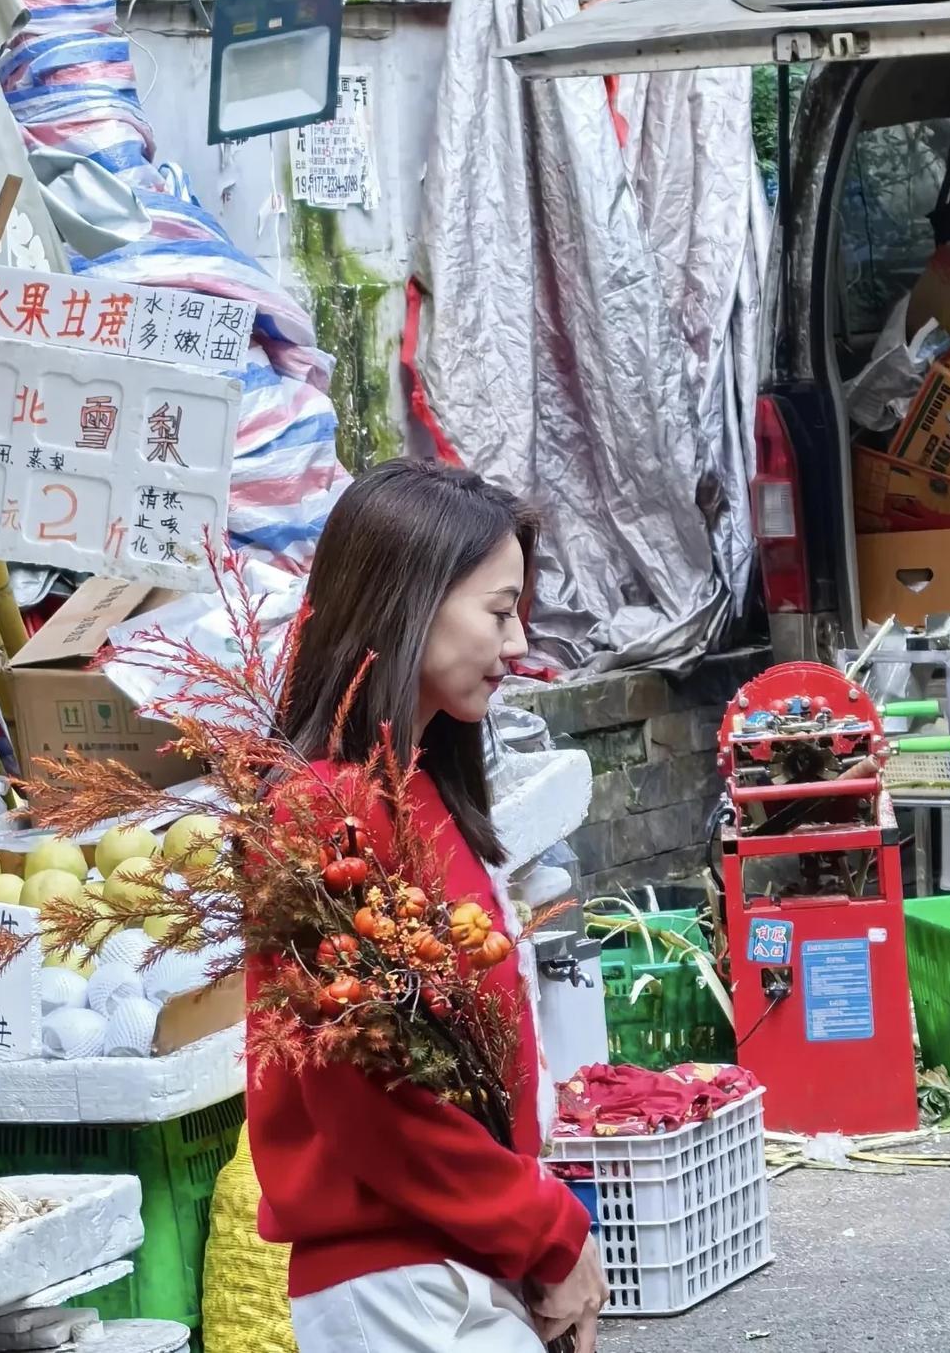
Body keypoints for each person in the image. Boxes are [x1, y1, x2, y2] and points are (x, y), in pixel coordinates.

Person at [247, 460, 608, 1353]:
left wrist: (530, 1232)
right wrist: (548, 1232)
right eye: (499, 611)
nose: (518, 643)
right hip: (402, 1285)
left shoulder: (415, 792)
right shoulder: (325, 812)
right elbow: (372, 1100)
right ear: (410, 602)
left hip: (452, 1261)